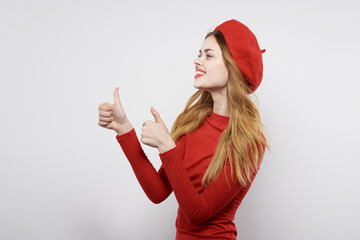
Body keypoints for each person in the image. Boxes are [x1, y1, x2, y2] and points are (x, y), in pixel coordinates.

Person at [98, 19, 271, 240]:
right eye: (199, 54)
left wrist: (167, 147)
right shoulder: (193, 123)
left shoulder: (249, 141)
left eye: (208, 55)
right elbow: (158, 192)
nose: (197, 61)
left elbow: (197, 213)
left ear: (232, 66)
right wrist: (124, 130)